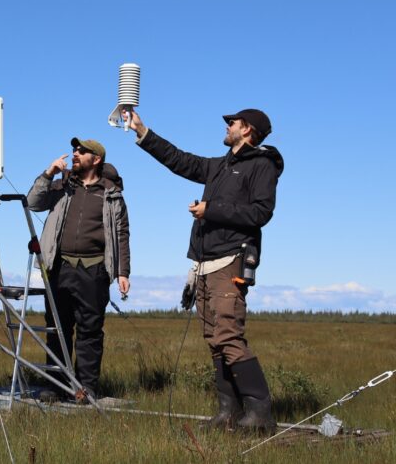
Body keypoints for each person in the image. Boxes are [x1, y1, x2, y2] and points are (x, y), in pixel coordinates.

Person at [123, 108, 283, 431]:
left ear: (248, 130)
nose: (227, 125)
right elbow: (179, 160)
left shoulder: (262, 166)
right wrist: (142, 131)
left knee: (228, 334)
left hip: (231, 261)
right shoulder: (219, 165)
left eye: (233, 122)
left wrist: (213, 209)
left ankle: (260, 413)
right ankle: (229, 412)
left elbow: (261, 213)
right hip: (204, 264)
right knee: (213, 337)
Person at [27, 137, 130, 402]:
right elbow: (33, 202)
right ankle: (57, 385)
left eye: (81, 151)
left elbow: (121, 233)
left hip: (95, 269)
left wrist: (123, 272)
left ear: (96, 159)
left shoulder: (112, 195)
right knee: (57, 329)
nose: (75, 153)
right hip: (59, 267)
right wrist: (49, 173)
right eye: (74, 150)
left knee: (90, 331)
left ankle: (86, 388)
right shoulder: (62, 187)